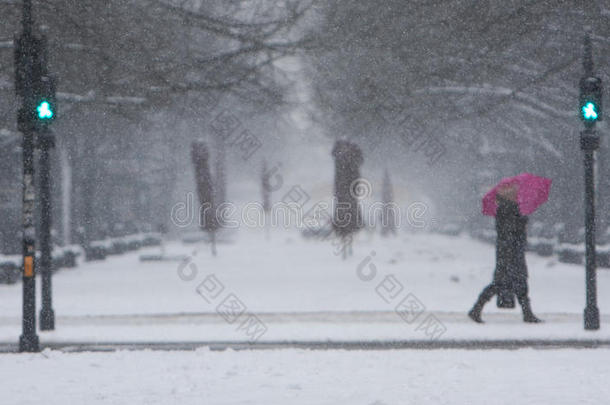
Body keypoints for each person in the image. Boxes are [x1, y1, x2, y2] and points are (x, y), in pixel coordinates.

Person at [469, 190, 542, 323]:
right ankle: (476, 309)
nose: (517, 195)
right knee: (502, 283)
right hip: (509, 252)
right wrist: (522, 219)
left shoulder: (510, 209)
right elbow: (510, 231)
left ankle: (527, 313)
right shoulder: (507, 210)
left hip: (510, 251)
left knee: (517, 283)